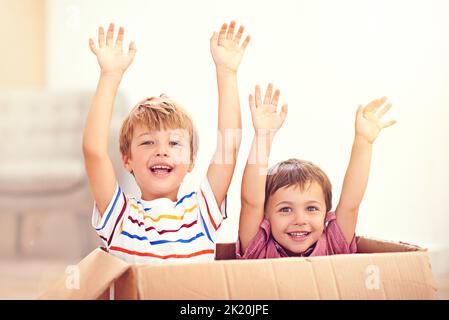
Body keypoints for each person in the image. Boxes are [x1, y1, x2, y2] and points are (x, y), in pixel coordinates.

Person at [83, 21, 250, 263]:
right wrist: (110, 77)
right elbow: (94, 152)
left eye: (174, 143)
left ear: (192, 160)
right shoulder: (120, 215)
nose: (162, 151)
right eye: (148, 142)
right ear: (127, 160)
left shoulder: (201, 211)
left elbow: (229, 146)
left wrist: (227, 73)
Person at [237, 86, 396, 258]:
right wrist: (263, 137)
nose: (299, 220)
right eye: (285, 209)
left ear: (326, 213)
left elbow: (350, 204)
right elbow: (251, 203)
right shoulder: (258, 249)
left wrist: (364, 141)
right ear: (265, 216)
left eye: (311, 208)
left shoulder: (333, 245)